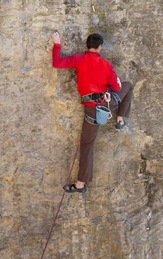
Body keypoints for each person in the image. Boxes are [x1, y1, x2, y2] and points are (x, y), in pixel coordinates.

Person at [51, 32, 133, 193]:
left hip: (92, 111)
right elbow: (117, 87)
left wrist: (57, 44)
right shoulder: (106, 64)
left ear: (87, 46)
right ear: (100, 47)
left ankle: (81, 184)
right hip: (108, 102)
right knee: (128, 86)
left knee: (87, 146)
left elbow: (57, 63)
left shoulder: (79, 59)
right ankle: (120, 119)